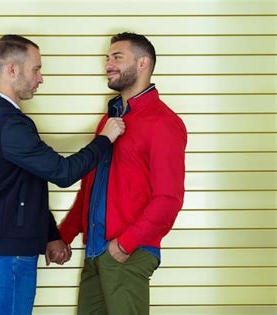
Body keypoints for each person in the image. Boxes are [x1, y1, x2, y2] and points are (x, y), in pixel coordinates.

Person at [0, 34, 125, 315]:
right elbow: (62, 173)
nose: (40, 79)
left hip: (2, 244)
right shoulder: (8, 126)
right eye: (36, 69)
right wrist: (104, 139)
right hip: (8, 251)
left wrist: (51, 234)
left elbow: (27, 183)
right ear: (13, 69)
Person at [58, 32, 187, 315]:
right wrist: (63, 235)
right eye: (107, 58)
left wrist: (125, 245)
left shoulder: (163, 123)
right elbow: (90, 188)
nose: (108, 64)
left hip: (128, 253)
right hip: (94, 252)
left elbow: (169, 199)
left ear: (143, 64)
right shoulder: (110, 119)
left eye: (117, 57)